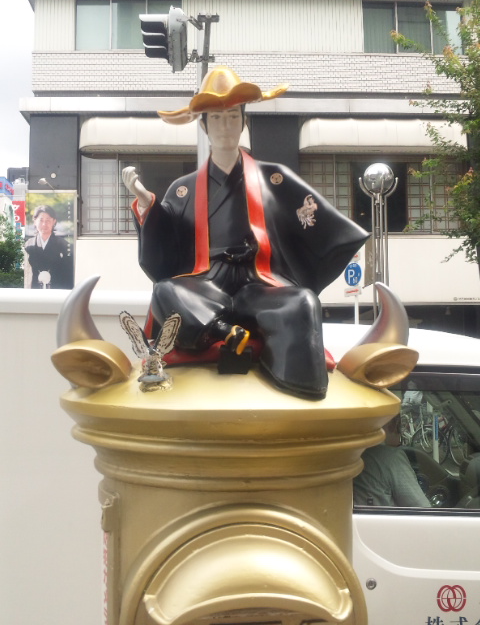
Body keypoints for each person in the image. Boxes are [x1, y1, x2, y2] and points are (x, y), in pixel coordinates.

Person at [122, 66, 369, 399]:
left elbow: (314, 218)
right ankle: (223, 330)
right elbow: (164, 244)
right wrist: (146, 203)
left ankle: (299, 387)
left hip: (259, 282)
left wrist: (335, 238)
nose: (225, 126)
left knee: (302, 302)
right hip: (206, 284)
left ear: (243, 121)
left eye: (233, 117)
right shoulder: (183, 188)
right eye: (216, 118)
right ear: (204, 126)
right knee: (166, 291)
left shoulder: (274, 177)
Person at [353, 416, 431, 508]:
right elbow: (421, 508)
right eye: (401, 425)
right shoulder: (391, 457)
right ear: (394, 424)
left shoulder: (350, 454)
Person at [24, 205, 74, 289]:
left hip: (57, 290)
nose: (44, 224)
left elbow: (69, 273)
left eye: (48, 220)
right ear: (35, 221)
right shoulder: (28, 245)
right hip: (34, 290)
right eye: (41, 220)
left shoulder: (64, 245)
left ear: (54, 221)